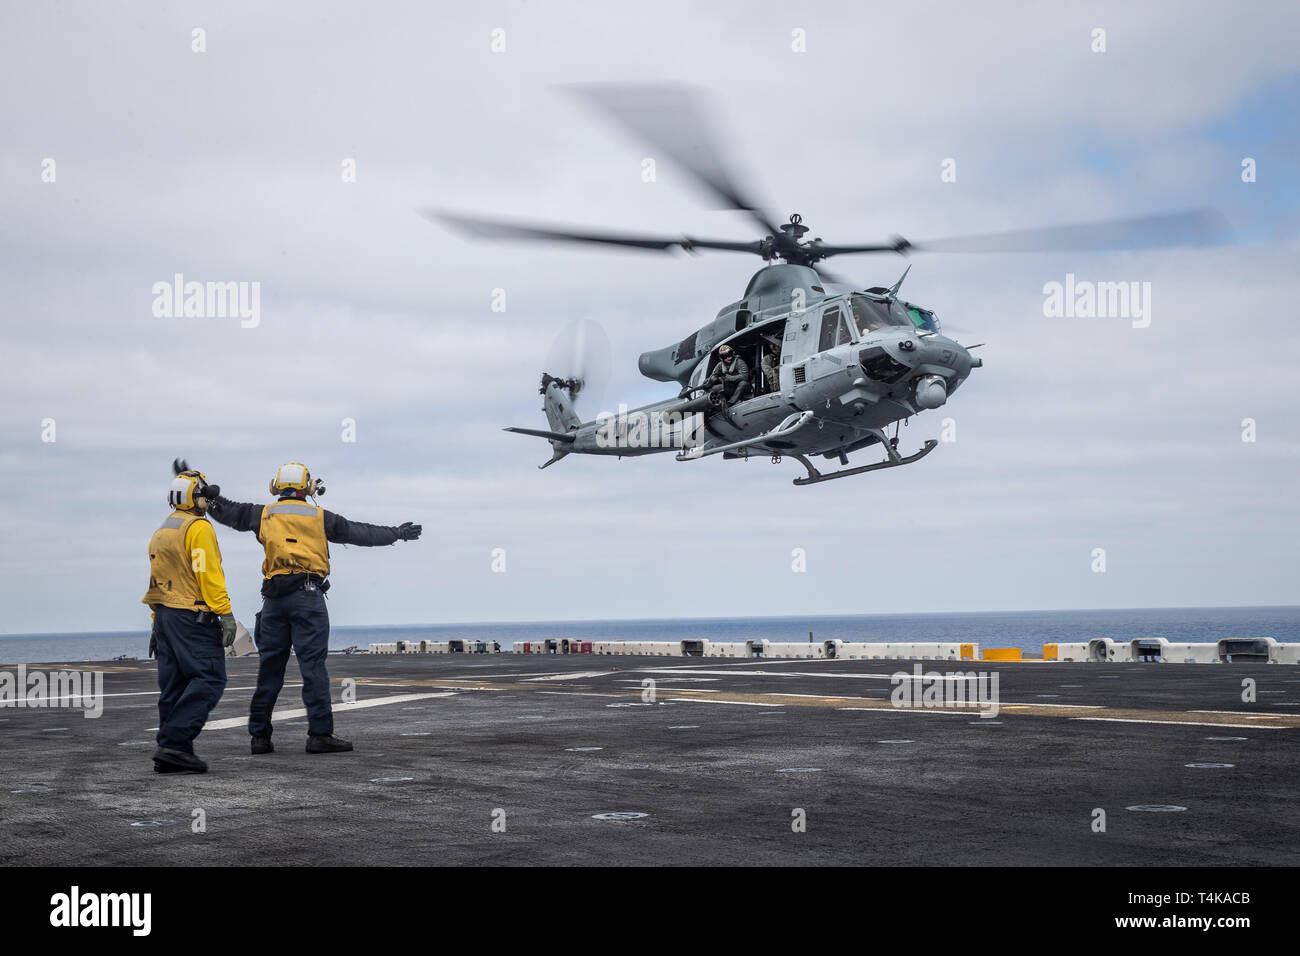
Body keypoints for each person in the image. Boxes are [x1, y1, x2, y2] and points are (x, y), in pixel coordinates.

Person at [207, 463, 421, 755]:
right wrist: (396, 533)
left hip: (273, 601)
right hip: (307, 598)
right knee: (313, 669)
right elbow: (359, 533)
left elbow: (228, 512)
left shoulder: (263, 514)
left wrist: (208, 498)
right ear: (308, 487)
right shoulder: (320, 517)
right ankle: (319, 735)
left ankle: (259, 737)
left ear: (277, 487)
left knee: (269, 671)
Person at [141, 463, 237, 774]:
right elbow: (208, 574)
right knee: (210, 679)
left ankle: (172, 753)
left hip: (165, 617)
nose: (208, 502)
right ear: (194, 497)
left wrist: (157, 621)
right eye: (205, 496)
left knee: (174, 685)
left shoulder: (163, 530)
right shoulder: (198, 528)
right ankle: (174, 743)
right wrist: (225, 614)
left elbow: (158, 578)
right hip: (191, 617)